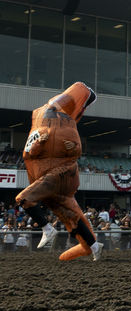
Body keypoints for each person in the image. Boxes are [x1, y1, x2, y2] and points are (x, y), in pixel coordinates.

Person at [14, 83, 103, 261]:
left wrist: (73, 147)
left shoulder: (63, 123)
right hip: (46, 174)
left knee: (23, 198)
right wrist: (40, 143)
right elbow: (29, 152)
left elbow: (75, 149)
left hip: (59, 173)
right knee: (70, 216)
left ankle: (47, 228)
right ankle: (93, 246)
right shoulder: (43, 120)